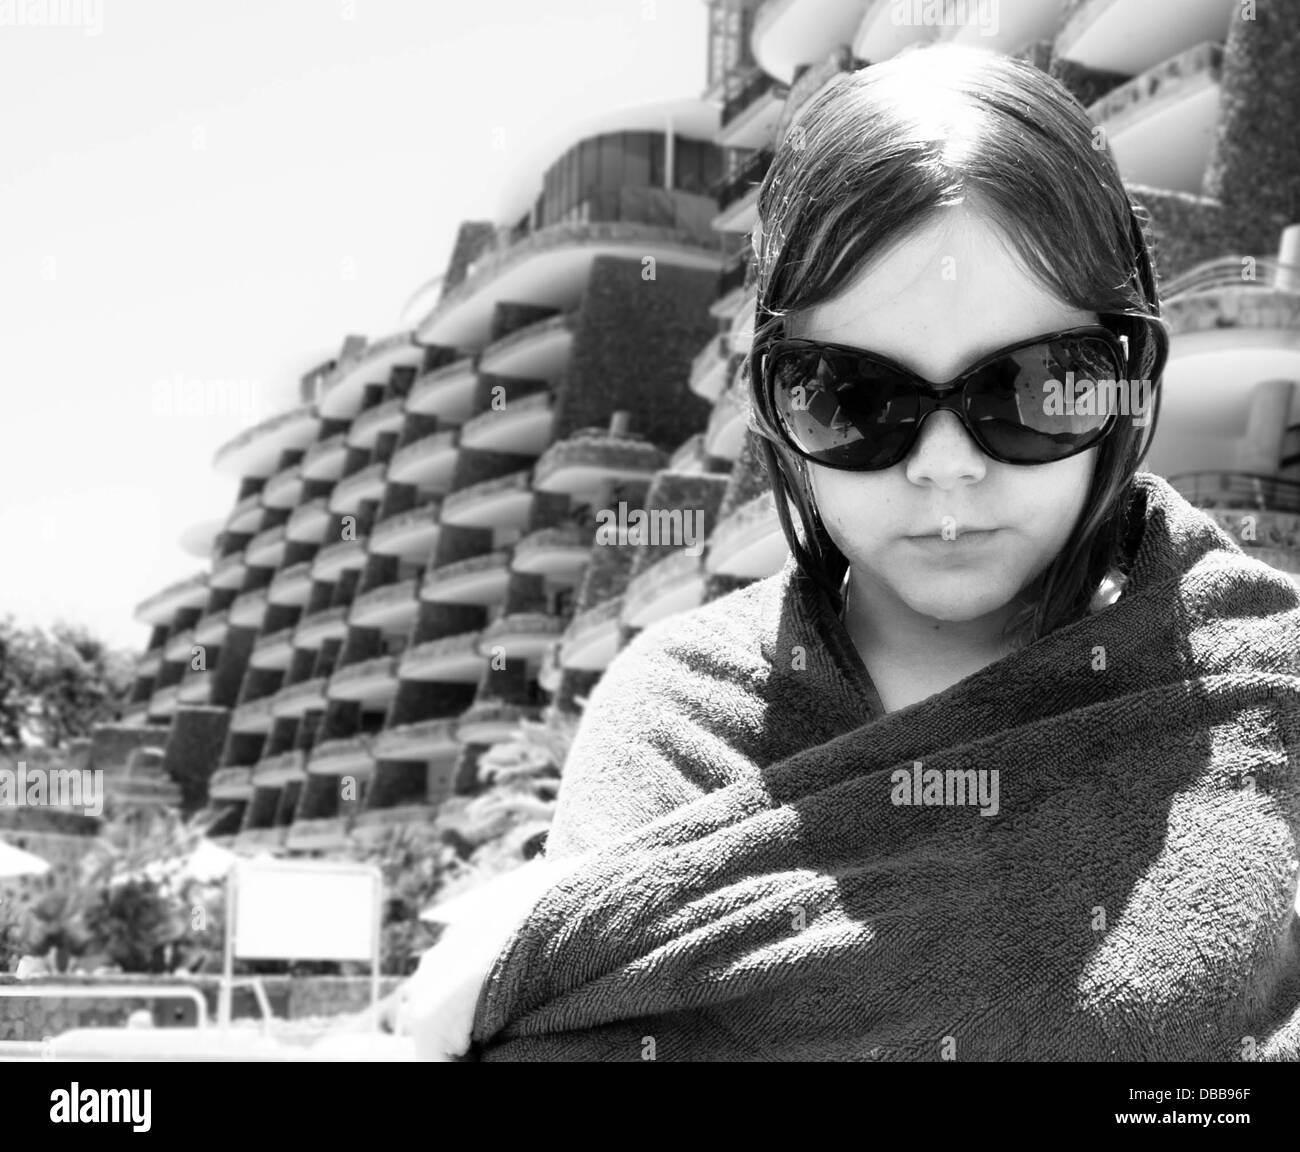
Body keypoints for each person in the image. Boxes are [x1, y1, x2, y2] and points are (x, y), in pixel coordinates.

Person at [400, 42, 1300, 1061]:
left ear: (1129, 373)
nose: (946, 468)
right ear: (774, 408)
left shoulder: (1263, 677)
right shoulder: (673, 716)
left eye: (1039, 384)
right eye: (853, 398)